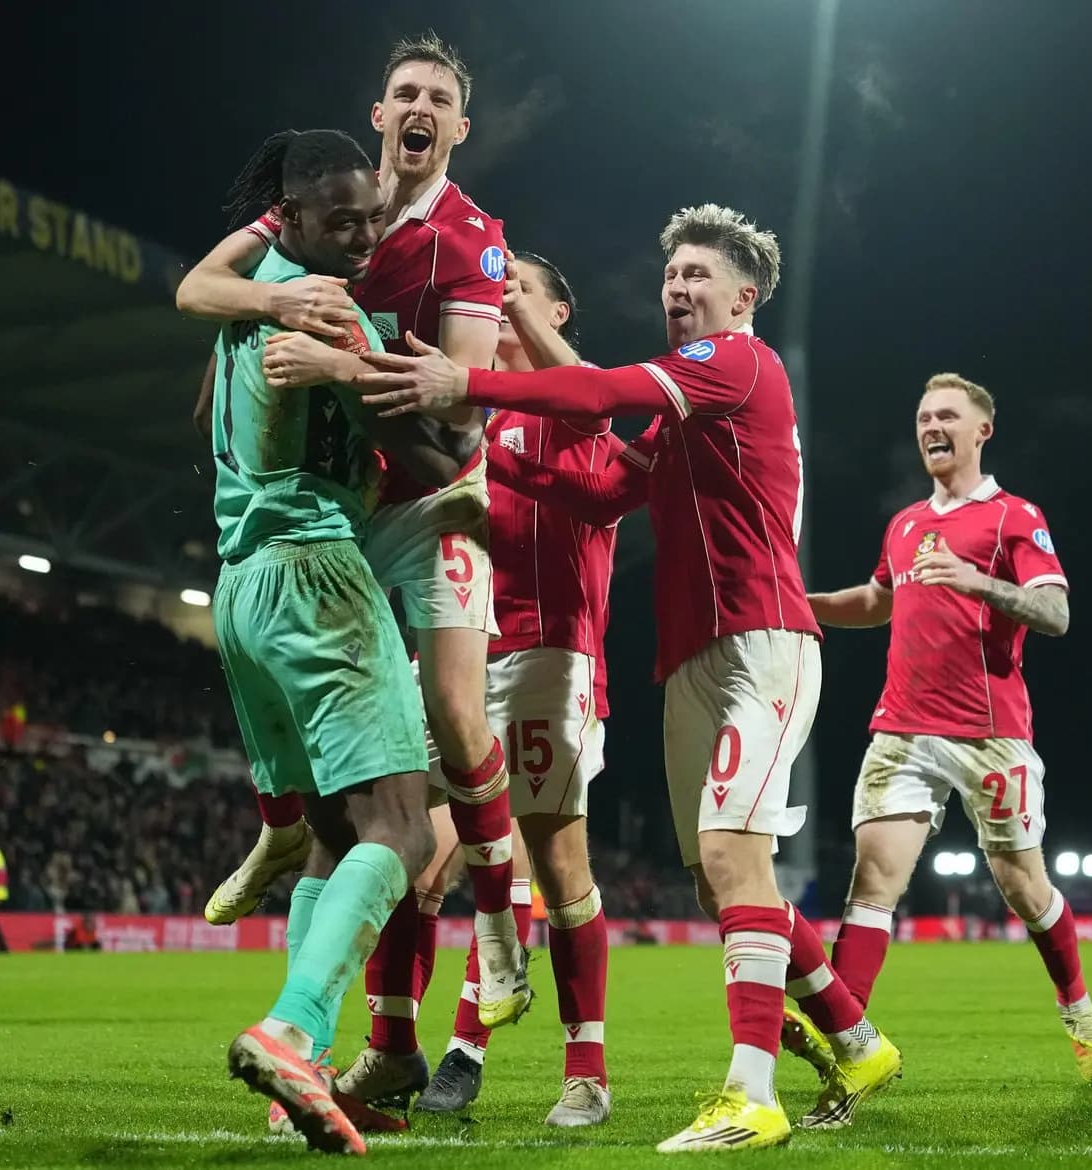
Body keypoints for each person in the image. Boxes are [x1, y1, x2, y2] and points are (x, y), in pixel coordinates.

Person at [354, 203, 898, 1152]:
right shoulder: (691, 402)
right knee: (715, 877)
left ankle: (749, 1092)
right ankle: (854, 1036)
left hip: (761, 639)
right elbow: (606, 488)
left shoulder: (737, 364)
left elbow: (599, 396)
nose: (679, 289)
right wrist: (500, 457)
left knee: (731, 860)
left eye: (699, 276)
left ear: (745, 296)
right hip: (694, 654)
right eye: (671, 275)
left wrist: (465, 378)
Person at [176, 32, 530, 1101]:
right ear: (379, 114)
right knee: (386, 819)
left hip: (361, 527)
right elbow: (201, 289)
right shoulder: (324, 215)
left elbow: (459, 410)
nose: (418, 107)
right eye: (403, 92)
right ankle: (319, 1027)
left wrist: (325, 347)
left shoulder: (465, 242)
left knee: (437, 738)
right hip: (330, 536)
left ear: (459, 127)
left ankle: (491, 933)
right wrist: (311, 324)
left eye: (440, 97)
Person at [205, 128, 440, 1156]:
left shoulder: (245, 297)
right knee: (405, 827)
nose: (363, 232)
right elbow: (428, 445)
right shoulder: (330, 304)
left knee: (338, 836)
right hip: (316, 573)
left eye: (371, 215)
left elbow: (208, 395)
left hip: (239, 585)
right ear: (292, 218)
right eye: (340, 217)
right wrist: (436, 420)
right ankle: (293, 1031)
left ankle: (288, 1081)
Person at [805, 373, 1092, 1086]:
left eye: (946, 415)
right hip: (902, 727)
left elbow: (1056, 614)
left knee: (1022, 887)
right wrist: (801, 601)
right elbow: (878, 600)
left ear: (982, 431)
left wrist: (975, 580)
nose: (930, 427)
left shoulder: (1012, 516)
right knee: (871, 881)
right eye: (921, 417)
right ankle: (850, 1050)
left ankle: (1078, 1009)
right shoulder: (906, 522)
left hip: (987, 732)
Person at [414, 252, 649, 1126]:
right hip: (462, 658)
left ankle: (585, 1071)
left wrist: (524, 317)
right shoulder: (465, 416)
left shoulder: (565, 403)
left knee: (558, 868)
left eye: (520, 285)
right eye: (492, 283)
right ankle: (444, 1054)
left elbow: (600, 394)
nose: (500, 294)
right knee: (426, 860)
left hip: (551, 656)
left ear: (558, 307)